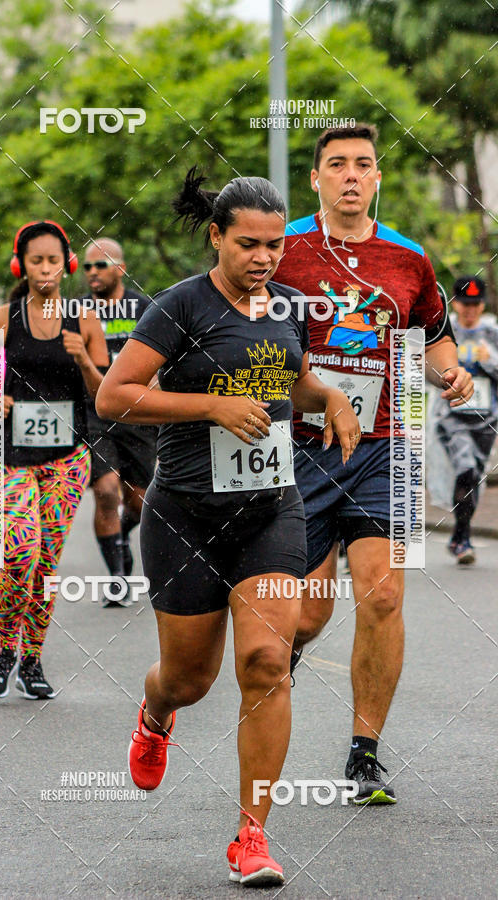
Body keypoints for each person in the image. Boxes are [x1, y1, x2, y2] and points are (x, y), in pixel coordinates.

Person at [96, 169, 360, 885]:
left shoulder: (290, 307)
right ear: (216, 236)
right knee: (190, 678)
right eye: (248, 244)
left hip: (271, 506)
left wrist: (328, 394)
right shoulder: (179, 307)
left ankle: (253, 836)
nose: (264, 258)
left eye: (274, 245)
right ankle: (155, 714)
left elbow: (291, 379)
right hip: (184, 513)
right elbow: (115, 395)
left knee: (268, 664)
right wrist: (211, 407)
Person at [274, 123, 473, 805]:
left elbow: (433, 331)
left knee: (383, 593)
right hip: (301, 446)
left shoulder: (408, 259)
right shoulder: (285, 250)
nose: (351, 175)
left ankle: (364, 753)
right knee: (304, 615)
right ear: (317, 179)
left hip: (384, 445)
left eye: (363, 164)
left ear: (378, 177)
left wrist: (451, 375)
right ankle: (285, 659)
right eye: (338, 165)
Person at [0, 220, 108, 700]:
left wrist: (85, 362)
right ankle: (3, 650)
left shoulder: (84, 320)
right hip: (11, 459)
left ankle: (31, 660)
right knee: (20, 552)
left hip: (67, 462)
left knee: (46, 565)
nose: (47, 269)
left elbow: (105, 395)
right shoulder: (1, 319)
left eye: (54, 259)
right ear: (21, 265)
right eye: (37, 260)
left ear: (67, 264)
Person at [82, 238, 157, 603]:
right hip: (94, 414)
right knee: (106, 491)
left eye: (101, 265)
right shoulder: (77, 311)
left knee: (140, 502)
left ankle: (122, 536)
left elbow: (163, 356)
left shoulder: (145, 308)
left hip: (139, 413)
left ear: (121, 269)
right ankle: (117, 578)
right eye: (87, 267)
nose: (93, 272)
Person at [432, 276, 498, 564]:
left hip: (486, 418)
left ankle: (461, 534)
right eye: (464, 304)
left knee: (475, 476)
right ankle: (463, 538)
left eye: (475, 304)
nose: (470, 310)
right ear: (455, 304)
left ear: (482, 304)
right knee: (466, 467)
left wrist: (489, 360)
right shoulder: (446, 333)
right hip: (453, 417)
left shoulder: (493, 332)